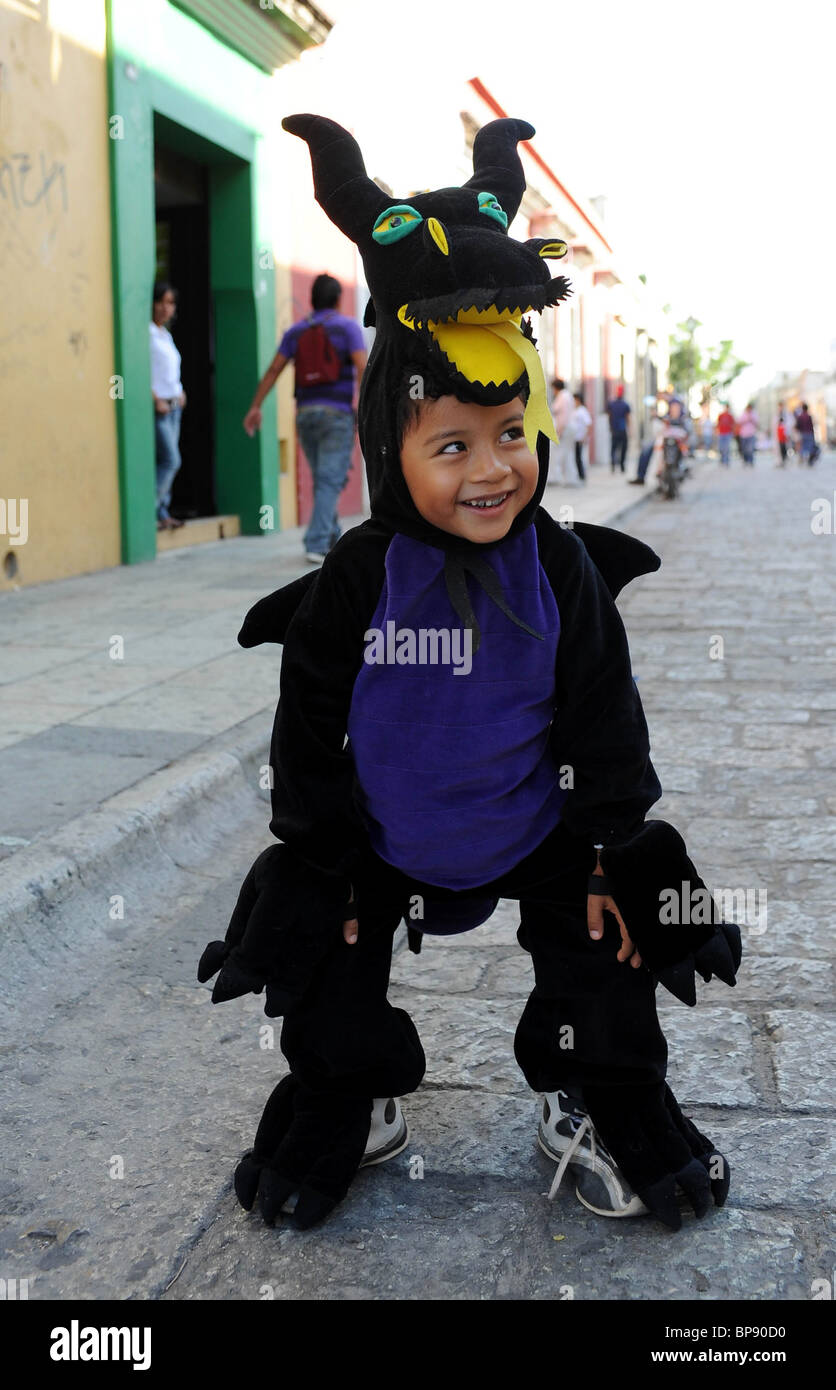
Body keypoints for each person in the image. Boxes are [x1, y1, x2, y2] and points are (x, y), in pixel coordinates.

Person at [200, 112, 739, 1236]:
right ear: (389, 446)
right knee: (322, 948)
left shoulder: (558, 567)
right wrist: (325, 854)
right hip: (383, 836)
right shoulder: (358, 576)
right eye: (452, 446)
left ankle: (595, 1092)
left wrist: (602, 845)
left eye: (510, 431)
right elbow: (305, 725)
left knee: (611, 935)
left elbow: (602, 712)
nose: (493, 469)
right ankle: (351, 1095)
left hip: (533, 827)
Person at [244, 274, 367, 563]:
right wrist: (365, 406)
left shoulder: (296, 331)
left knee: (324, 478)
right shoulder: (347, 327)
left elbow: (274, 369)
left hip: (305, 415)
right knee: (329, 479)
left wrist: (255, 406)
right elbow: (364, 367)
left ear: (312, 300)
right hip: (336, 414)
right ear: (338, 299)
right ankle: (316, 542)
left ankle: (333, 534)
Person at [150, 282, 186, 531]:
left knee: (168, 461)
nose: (165, 307)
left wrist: (181, 390)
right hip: (160, 409)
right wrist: (155, 399)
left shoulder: (166, 335)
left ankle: (162, 513)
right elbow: (141, 368)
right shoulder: (147, 333)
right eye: (161, 301)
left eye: (170, 303)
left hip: (175, 408)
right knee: (171, 461)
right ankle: (149, 508)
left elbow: (168, 370)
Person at [549, 376, 576, 484]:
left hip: (564, 429)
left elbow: (564, 416)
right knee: (567, 454)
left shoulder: (563, 397)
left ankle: (555, 477)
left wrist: (559, 432)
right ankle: (570, 478)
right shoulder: (567, 396)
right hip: (568, 428)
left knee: (557, 454)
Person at [606, 384, 631, 473]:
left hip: (615, 429)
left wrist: (610, 426)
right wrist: (629, 429)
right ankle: (621, 465)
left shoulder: (611, 404)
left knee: (614, 447)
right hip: (622, 429)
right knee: (623, 448)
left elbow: (609, 416)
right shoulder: (625, 405)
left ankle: (613, 463)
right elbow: (627, 418)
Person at [570, 390, 592, 483]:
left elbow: (589, 424)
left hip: (580, 438)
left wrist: (585, 437)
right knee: (576, 457)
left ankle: (582, 475)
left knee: (579, 458)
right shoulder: (576, 410)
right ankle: (579, 475)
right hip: (575, 438)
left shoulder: (582, 411)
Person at [737, 402, 758, 467]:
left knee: (750, 448)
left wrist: (751, 419)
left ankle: (751, 461)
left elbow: (756, 422)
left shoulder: (754, 414)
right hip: (743, 434)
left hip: (751, 433)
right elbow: (739, 422)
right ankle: (745, 460)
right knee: (745, 448)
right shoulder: (743, 414)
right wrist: (746, 419)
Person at [775, 402, 790, 467]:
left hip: (784, 435)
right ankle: (780, 461)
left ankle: (784, 460)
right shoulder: (777, 415)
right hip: (779, 435)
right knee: (780, 449)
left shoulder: (786, 414)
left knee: (784, 448)